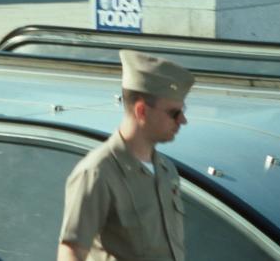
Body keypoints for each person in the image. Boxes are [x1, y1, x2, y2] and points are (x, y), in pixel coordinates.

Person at [58, 50, 194, 261]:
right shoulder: (97, 172)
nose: (182, 120)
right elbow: (71, 253)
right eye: (174, 113)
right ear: (141, 111)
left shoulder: (166, 170)